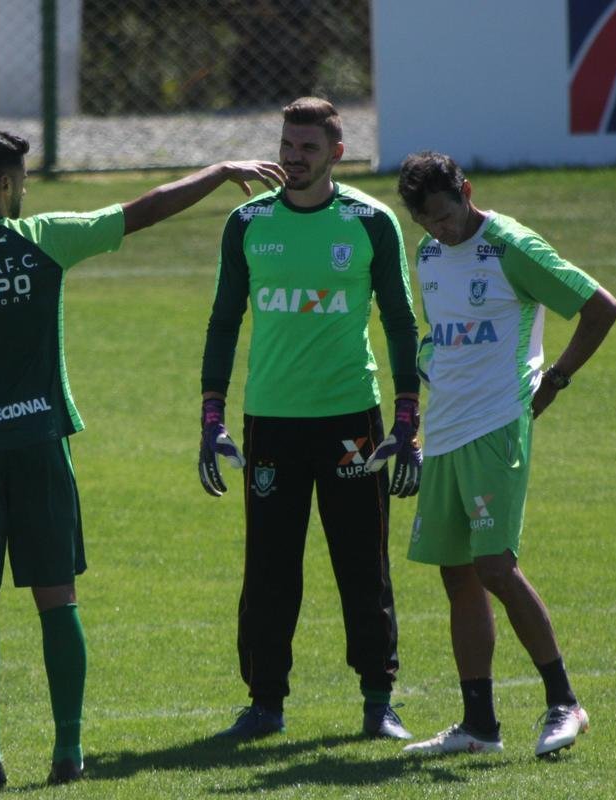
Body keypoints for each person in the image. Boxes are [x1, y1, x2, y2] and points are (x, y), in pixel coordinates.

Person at [0, 130, 285, 787]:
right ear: (7, 185)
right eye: (24, 180)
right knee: (57, 599)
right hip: (40, 445)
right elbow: (145, 209)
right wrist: (218, 169)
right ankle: (68, 753)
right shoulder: (44, 237)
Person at [199, 97, 421, 742]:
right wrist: (212, 414)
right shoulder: (246, 222)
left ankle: (379, 701)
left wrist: (406, 418)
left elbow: (402, 324)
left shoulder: (370, 222)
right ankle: (264, 703)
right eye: (287, 147)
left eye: (308, 150)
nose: (293, 160)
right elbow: (222, 320)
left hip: (352, 419)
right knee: (268, 569)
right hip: (270, 420)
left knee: (362, 564)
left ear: (336, 155)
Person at [395, 151, 616, 757]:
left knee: (495, 567)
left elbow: (601, 307)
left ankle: (565, 702)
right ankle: (479, 727)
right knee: (457, 574)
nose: (439, 230)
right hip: (444, 433)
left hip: (497, 425)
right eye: (426, 222)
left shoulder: (510, 245)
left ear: (466, 191)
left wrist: (555, 380)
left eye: (445, 214)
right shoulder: (428, 255)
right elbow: (436, 336)